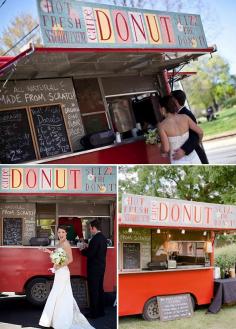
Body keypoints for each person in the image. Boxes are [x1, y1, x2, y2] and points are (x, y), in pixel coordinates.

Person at [39, 225, 94, 329]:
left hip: (63, 272)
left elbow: (70, 260)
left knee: (60, 294)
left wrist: (57, 267)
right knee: (59, 295)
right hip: (59, 272)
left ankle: (61, 320)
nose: (60, 234)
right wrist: (48, 252)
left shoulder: (66, 244)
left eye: (63, 232)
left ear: (66, 233)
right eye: (59, 232)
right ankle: (55, 319)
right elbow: (57, 257)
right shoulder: (59, 243)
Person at [158, 95, 203, 164]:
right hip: (193, 156)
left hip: (177, 160)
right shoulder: (185, 117)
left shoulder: (162, 126)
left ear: (163, 109)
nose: (159, 110)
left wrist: (160, 149)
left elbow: (166, 148)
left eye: (159, 108)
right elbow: (200, 132)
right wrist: (198, 142)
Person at [172, 90, 209, 164]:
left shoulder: (186, 114)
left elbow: (196, 135)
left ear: (175, 101)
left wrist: (184, 150)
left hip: (195, 154)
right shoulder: (178, 114)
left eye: (170, 99)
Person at [81, 219, 107, 319]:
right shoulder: (103, 238)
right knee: (100, 289)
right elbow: (98, 251)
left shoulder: (95, 239)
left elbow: (90, 254)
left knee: (93, 291)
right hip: (101, 267)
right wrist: (89, 246)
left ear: (94, 228)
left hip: (93, 269)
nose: (90, 230)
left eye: (90, 228)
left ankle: (94, 313)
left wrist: (82, 250)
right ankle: (101, 311)